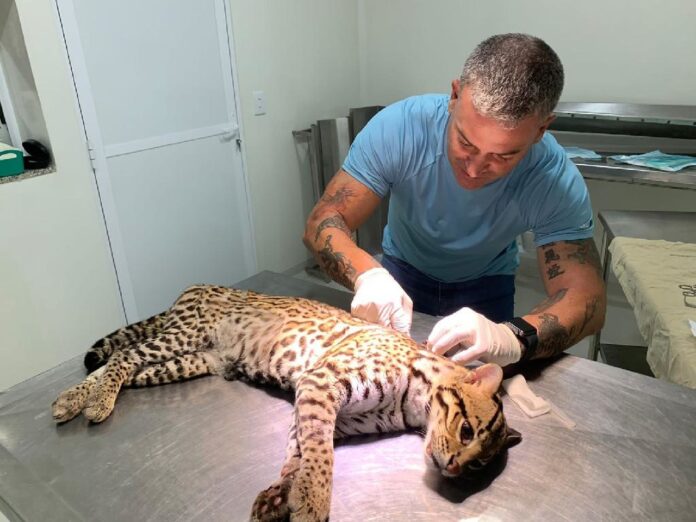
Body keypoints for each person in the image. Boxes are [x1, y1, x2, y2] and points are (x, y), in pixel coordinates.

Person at [303, 33, 606, 367]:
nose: (474, 170)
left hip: (487, 284)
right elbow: (324, 221)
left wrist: (515, 336)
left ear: (540, 130)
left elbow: (586, 299)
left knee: (478, 380)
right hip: (400, 273)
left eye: (503, 156)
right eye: (465, 142)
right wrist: (366, 276)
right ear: (455, 96)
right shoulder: (401, 129)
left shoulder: (552, 179)